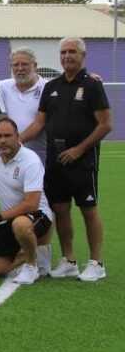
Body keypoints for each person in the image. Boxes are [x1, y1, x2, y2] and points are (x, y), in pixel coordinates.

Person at [22, 37, 112, 281]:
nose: (67, 56)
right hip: (55, 159)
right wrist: (16, 141)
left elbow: (105, 125)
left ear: (82, 55)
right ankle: (68, 260)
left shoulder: (92, 85)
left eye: (72, 51)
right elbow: (39, 124)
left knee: (88, 209)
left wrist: (79, 150)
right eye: (63, 52)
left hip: (83, 160)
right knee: (60, 209)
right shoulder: (52, 87)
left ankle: (96, 263)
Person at [0, 118, 53, 285]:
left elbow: (31, 204)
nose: (3, 140)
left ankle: (31, 265)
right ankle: (27, 254)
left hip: (37, 214)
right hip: (9, 217)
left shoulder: (30, 160)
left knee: (20, 225)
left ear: (17, 137)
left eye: (7, 136)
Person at [0, 47, 53, 275]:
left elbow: (40, 123)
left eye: (25, 64)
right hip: (11, 160)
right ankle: (26, 252)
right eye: (16, 65)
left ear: (35, 66)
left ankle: (43, 258)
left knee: (44, 205)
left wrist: (15, 142)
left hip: (40, 158)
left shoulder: (47, 87)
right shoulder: (3, 86)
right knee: (19, 204)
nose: (20, 69)